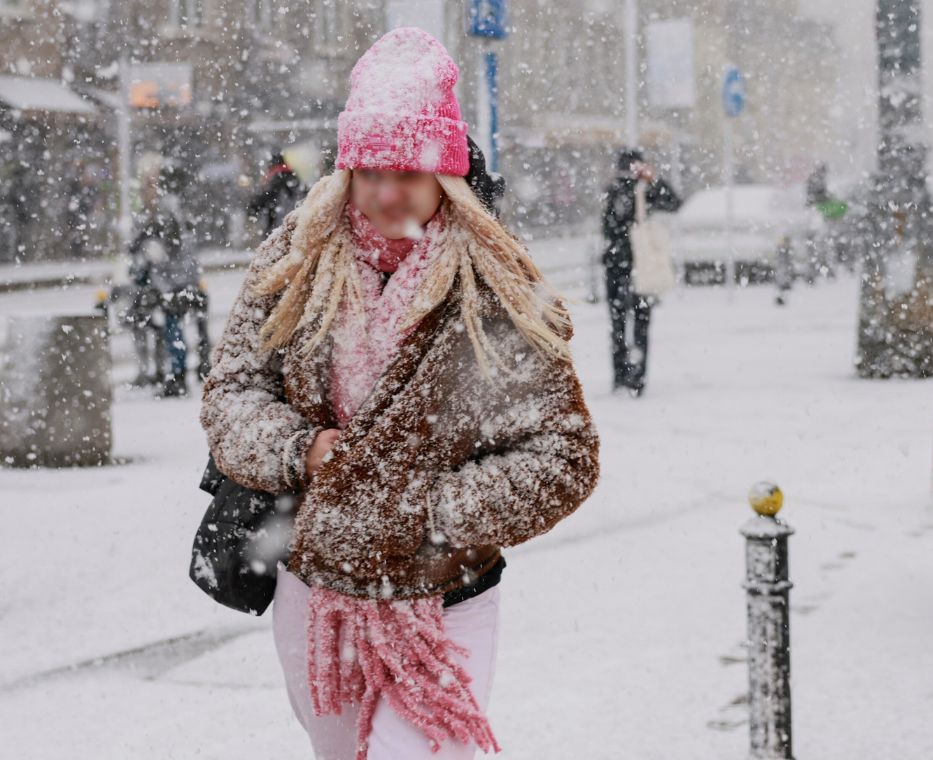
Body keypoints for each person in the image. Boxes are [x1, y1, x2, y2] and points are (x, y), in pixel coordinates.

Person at [199, 28, 600, 760]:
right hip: (315, 588)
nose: (387, 193)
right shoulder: (297, 260)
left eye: (408, 173)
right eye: (370, 171)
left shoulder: (496, 288)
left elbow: (563, 454)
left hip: (447, 590)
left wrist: (431, 507)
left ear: (444, 177)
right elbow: (232, 394)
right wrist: (298, 448)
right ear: (347, 170)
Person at [601, 148, 682, 396]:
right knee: (640, 323)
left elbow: (608, 227)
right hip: (640, 265)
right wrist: (652, 180)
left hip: (617, 264)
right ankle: (636, 376)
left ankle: (621, 375)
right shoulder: (643, 190)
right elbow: (674, 202)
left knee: (618, 323)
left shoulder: (613, 190)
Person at [129, 166, 202, 397]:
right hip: (177, 278)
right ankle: (175, 373)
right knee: (172, 326)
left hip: (173, 280)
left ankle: (177, 375)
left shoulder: (166, 209)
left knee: (173, 327)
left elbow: (170, 245)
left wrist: (146, 243)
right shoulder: (172, 208)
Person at [248, 150, 306, 236]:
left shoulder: (276, 175)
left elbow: (268, 195)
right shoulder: (292, 174)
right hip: (294, 220)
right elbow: (302, 193)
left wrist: (253, 207)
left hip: (277, 222)